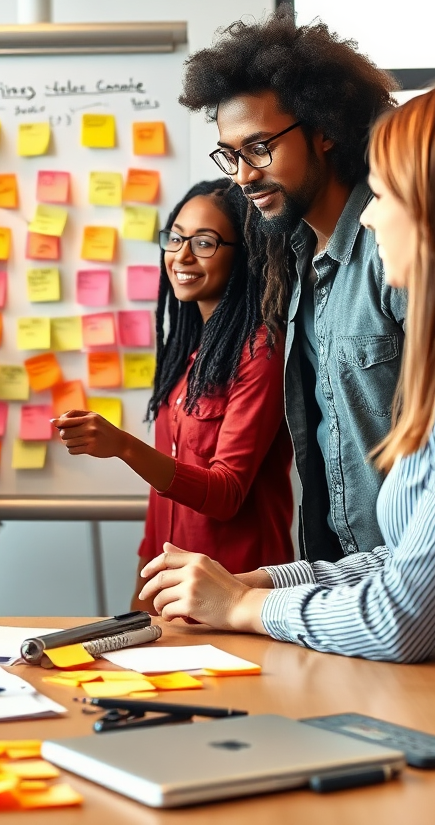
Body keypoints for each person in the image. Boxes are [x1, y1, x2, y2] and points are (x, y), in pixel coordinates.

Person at [139, 76, 435, 761]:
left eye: (385, 196)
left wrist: (242, 609)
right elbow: (413, 555)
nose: (369, 217)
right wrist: (259, 583)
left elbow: (405, 612)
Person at [180, 6, 406, 563]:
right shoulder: (295, 264)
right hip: (339, 575)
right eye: (230, 155)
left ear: (325, 129)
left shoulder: (395, 252)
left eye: (259, 148)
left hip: (418, 582)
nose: (243, 176)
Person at [53, 181, 293, 608]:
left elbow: (225, 495)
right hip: (172, 594)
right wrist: (144, 588)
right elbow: (162, 498)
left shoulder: (261, 350)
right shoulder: (187, 353)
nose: (181, 255)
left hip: (238, 593)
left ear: (243, 254)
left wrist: (124, 446)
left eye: (204, 243)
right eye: (176, 237)